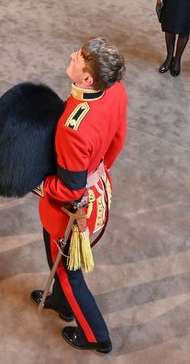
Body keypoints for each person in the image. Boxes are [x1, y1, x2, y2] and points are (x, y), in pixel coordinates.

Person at [30, 37, 127, 355]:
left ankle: (97, 336)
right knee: (57, 262)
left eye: (80, 57)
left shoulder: (75, 128)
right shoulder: (115, 90)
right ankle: (62, 302)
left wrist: (40, 184)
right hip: (98, 188)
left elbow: (69, 190)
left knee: (66, 271)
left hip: (71, 211)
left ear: (88, 78)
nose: (73, 54)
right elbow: (117, 139)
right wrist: (95, 172)